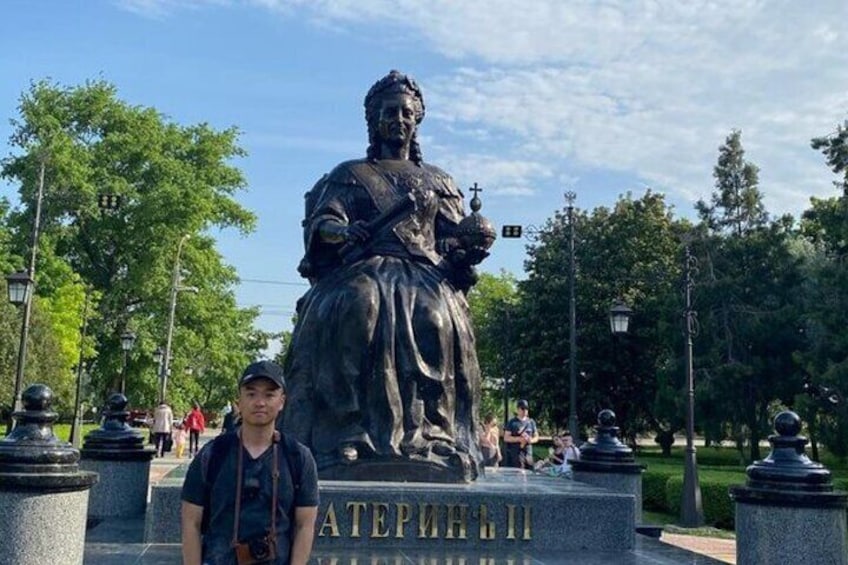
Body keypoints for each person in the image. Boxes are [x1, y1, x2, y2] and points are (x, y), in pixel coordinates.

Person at [282, 70, 493, 478]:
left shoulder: (439, 181)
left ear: (417, 120)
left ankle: (431, 434)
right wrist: (343, 230)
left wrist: (468, 252)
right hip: (363, 267)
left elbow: (450, 239)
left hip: (424, 274)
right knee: (360, 305)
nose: (398, 119)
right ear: (374, 120)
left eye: (406, 113)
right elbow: (324, 221)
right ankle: (346, 432)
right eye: (389, 112)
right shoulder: (349, 173)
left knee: (433, 316)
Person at [181, 360, 319, 565]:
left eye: (269, 394)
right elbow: (191, 522)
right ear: (239, 401)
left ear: (282, 401)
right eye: (251, 393)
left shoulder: (298, 457)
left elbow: (305, 525)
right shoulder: (213, 455)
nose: (260, 402)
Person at [503, 400, 539, 469]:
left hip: (528, 453)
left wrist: (531, 440)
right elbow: (506, 438)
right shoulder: (512, 422)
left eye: (526, 409)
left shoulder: (531, 422)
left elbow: (536, 436)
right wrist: (519, 439)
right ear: (518, 409)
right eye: (522, 408)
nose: (524, 411)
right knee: (519, 473)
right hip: (516, 454)